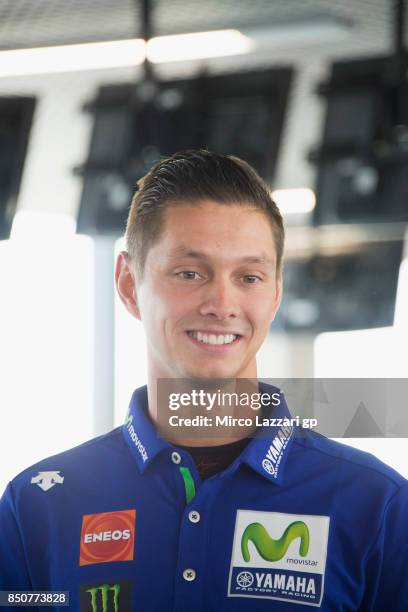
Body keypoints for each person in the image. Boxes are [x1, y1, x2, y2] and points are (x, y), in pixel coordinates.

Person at [0, 149, 407, 611]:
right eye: (190, 273)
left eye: (249, 277)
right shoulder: (37, 507)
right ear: (129, 284)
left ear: (276, 293)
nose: (221, 302)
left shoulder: (378, 506)